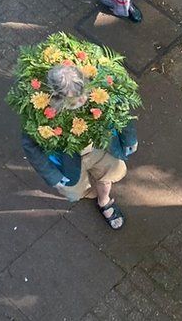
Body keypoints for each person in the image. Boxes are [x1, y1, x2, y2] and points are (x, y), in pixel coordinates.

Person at [22, 64, 137, 229]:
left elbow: (121, 110)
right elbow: (30, 146)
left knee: (107, 175)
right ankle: (88, 192)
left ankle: (103, 200)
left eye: (83, 92)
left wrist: (130, 138)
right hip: (66, 159)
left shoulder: (101, 86)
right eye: (74, 99)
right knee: (76, 190)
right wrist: (52, 176)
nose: (83, 100)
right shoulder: (37, 113)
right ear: (56, 97)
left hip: (100, 147)